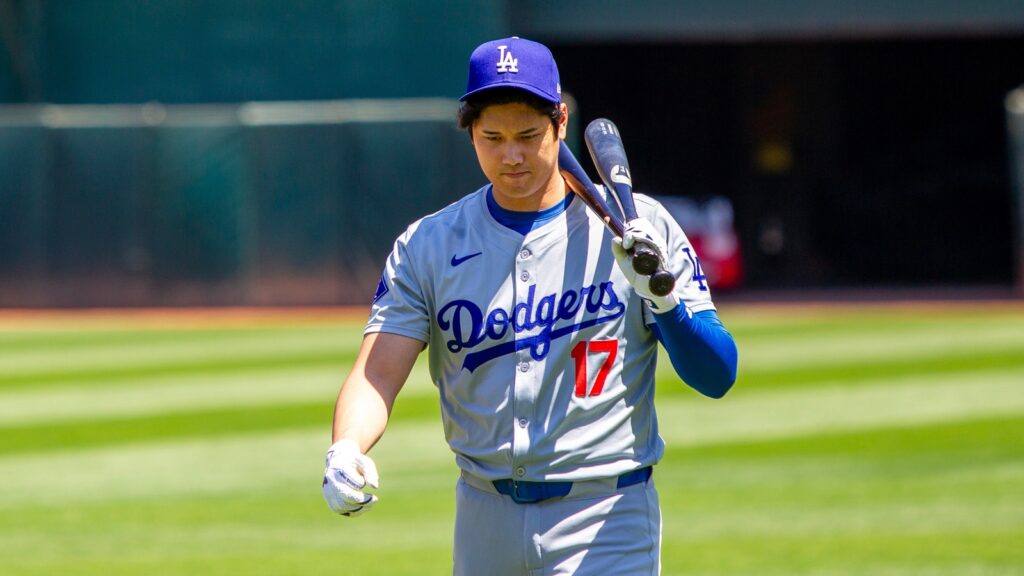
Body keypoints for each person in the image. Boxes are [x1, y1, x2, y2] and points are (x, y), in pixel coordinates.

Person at [322, 36, 738, 575]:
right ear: (469, 131)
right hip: (483, 516)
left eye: (527, 136)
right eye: (492, 138)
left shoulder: (641, 228)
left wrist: (665, 302)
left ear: (560, 122)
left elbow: (717, 373)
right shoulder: (429, 243)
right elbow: (376, 373)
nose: (511, 155)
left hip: (606, 516)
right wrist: (347, 446)